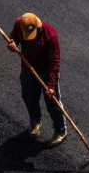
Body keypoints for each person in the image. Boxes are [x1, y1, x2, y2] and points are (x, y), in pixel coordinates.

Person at [7, 12, 67, 147]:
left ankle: (60, 130)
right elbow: (14, 37)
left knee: (53, 102)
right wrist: (13, 44)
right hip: (28, 69)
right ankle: (35, 121)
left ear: (38, 26)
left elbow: (55, 62)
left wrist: (51, 85)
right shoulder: (20, 23)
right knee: (28, 96)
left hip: (46, 72)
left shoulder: (50, 35)